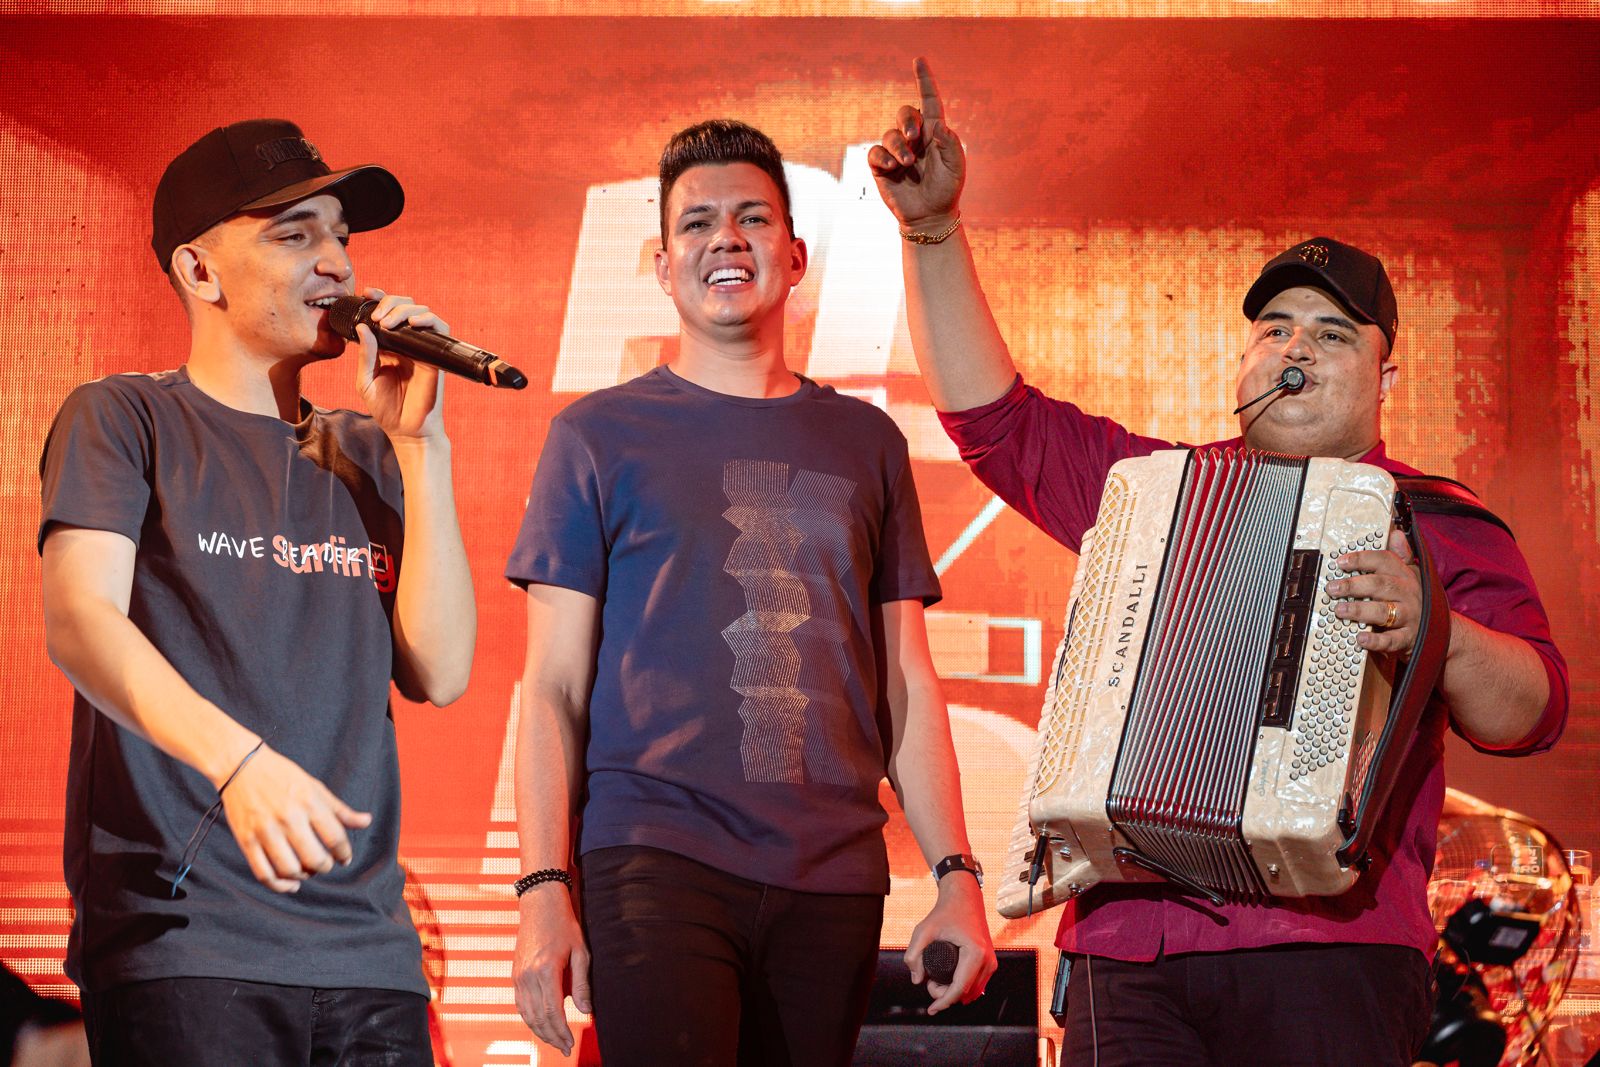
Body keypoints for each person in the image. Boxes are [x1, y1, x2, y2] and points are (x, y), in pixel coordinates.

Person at [868, 60, 1568, 1067]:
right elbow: (996, 425)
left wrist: (1440, 632)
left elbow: (1531, 713)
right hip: (1131, 943)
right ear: (1242, 359)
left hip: (1332, 949)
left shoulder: (1439, 521)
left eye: (1333, 333)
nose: (1296, 346)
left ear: (1385, 374)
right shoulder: (1148, 491)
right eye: (1274, 327)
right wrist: (929, 232)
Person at [507, 119, 997, 1065]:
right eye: (695, 224)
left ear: (796, 254)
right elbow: (553, 689)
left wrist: (956, 874)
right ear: (659, 264)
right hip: (654, 854)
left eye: (752, 218)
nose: (724, 240)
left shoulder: (867, 443)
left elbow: (906, 680)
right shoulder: (597, 436)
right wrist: (542, 889)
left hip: (834, 873)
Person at [38, 119, 476, 1065]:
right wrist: (240, 762)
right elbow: (79, 619)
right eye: (294, 236)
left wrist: (421, 447)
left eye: (342, 238)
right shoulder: (124, 418)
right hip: (186, 944)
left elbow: (440, 670)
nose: (336, 265)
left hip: (370, 953)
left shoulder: (364, 451)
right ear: (201, 272)